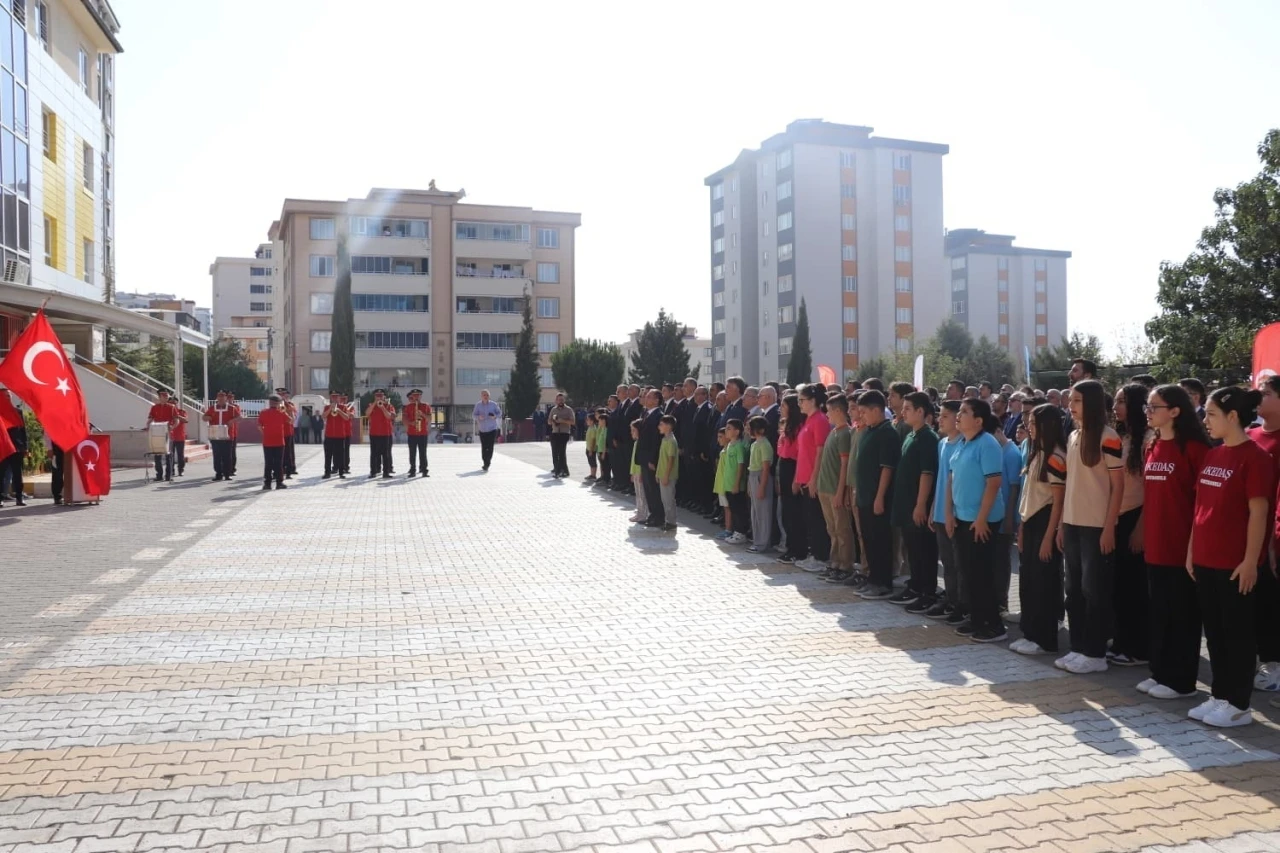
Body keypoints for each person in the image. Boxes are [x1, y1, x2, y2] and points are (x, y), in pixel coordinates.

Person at [1187, 387, 1274, 728]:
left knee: (1237, 635)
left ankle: (1238, 705)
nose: (1206, 421)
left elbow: (1259, 513)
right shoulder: (1214, 454)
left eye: (1211, 414)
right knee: (1215, 634)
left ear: (1233, 416)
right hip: (1206, 559)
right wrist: (1191, 551)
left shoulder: (1256, 458)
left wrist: (1251, 561)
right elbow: (1200, 508)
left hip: (1235, 564)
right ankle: (1220, 695)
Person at [1139, 383, 1210, 698]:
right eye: (1148, 406)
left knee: (1183, 615)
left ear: (1175, 411)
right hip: (1155, 545)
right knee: (1159, 612)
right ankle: (1160, 672)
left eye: (1154, 407)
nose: (1148, 412)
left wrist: (1193, 547)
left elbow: (1201, 503)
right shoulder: (1151, 445)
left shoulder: (1195, 449)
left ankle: (1181, 682)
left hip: (1182, 548)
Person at [1056, 380, 1125, 674]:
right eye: (1070, 400)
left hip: (1096, 526)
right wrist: (1061, 525)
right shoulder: (1073, 435)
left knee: (1094, 591)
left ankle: (1096, 654)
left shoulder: (1108, 437)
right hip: (1072, 523)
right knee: (1073, 590)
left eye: (1077, 400)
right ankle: (1078, 647)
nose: (1070, 405)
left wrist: (1109, 527)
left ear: (1092, 403)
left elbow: (1118, 486)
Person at [946, 398, 1007, 642]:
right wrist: (949, 513)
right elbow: (952, 478)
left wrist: (981, 519)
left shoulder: (987, 443)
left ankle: (994, 625)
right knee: (968, 572)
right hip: (962, 518)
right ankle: (976, 618)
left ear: (979, 420)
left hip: (983, 521)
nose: (958, 416)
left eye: (964, 412)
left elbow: (994, 483)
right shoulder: (962, 443)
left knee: (982, 573)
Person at [1013, 404, 1068, 656]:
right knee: (1028, 581)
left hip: (1046, 521)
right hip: (1031, 521)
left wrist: (1049, 535)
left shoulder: (1056, 456)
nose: (1029, 427)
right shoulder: (1037, 453)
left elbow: (1058, 500)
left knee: (1043, 583)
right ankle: (1030, 633)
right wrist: (1022, 526)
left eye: (1034, 423)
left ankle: (1044, 639)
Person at [1109, 383, 1152, 667]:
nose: (1116, 407)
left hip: (1136, 516)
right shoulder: (1119, 436)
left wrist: (1140, 527)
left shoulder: (1148, 439)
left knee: (1135, 588)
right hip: (1116, 515)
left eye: (1122, 401)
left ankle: (1138, 648)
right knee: (1119, 586)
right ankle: (1121, 640)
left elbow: (1151, 489)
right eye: (1115, 401)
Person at [891, 392, 939, 611]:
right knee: (913, 549)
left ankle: (927, 592)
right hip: (906, 504)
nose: (903, 412)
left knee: (924, 550)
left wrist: (921, 505)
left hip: (918, 505)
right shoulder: (911, 435)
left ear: (921, 411)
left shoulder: (928, 438)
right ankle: (915, 586)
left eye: (908, 408)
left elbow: (927, 473)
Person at [1248, 375, 1280, 695]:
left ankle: (1273, 664)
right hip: (1249, 536)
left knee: (1272, 603)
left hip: (1274, 537)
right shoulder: (1251, 435)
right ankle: (1263, 659)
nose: (1259, 398)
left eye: (1267, 393)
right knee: (1257, 604)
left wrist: (1271, 539)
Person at [853, 390, 900, 600]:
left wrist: (880, 497)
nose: (860, 416)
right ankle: (873, 578)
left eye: (864, 412)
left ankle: (883, 583)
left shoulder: (887, 433)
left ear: (876, 410)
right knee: (869, 540)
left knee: (880, 540)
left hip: (878, 498)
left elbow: (886, 468)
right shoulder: (869, 431)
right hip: (864, 496)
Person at [927, 400, 964, 622]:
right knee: (948, 563)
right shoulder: (942, 444)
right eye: (939, 416)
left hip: (955, 515)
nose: (939, 420)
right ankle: (951, 600)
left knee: (959, 564)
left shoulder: (963, 444)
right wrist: (934, 507)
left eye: (945, 416)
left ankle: (961, 604)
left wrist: (951, 512)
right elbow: (940, 480)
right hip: (940, 512)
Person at [816, 394, 855, 582]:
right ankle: (835, 562)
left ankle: (846, 566)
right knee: (832, 529)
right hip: (825, 488)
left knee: (842, 529)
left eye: (829, 410)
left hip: (835, 490)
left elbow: (844, 465)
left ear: (839, 411)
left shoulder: (845, 433)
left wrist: (841, 492)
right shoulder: (834, 432)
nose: (827, 414)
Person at [794, 384, 831, 572]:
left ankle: (821, 557)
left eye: (802, 400)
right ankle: (814, 554)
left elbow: (820, 452)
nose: (799, 403)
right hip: (804, 477)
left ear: (813, 401)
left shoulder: (820, 420)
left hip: (813, 479)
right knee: (809, 518)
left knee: (817, 519)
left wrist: (814, 478)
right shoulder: (808, 420)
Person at [775, 394, 806, 565]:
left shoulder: (799, 426)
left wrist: (796, 479)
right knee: (786, 511)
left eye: (784, 405)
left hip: (793, 467)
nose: (780, 408)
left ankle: (798, 550)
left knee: (794, 513)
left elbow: (799, 455)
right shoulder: (786, 425)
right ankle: (790, 547)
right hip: (784, 465)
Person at [635, 389, 666, 528]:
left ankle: (658, 517)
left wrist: (653, 459)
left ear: (656, 400)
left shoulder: (659, 415)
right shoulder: (646, 413)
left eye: (649, 397)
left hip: (650, 458)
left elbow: (656, 440)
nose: (646, 399)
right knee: (648, 488)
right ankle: (652, 514)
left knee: (654, 489)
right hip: (644, 457)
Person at [746, 415, 774, 553]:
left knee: (763, 512)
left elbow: (765, 468)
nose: (748, 430)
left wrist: (762, 487)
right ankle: (757, 540)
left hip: (761, 477)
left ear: (761, 430)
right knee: (755, 512)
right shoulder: (754, 444)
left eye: (751, 427)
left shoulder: (764, 444)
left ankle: (763, 543)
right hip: (753, 476)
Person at [720, 418, 748, 543]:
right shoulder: (729, 445)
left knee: (738, 509)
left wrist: (736, 484)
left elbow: (740, 465)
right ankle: (735, 532)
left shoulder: (738, 446)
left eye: (729, 428)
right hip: (728, 483)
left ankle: (741, 533)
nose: (726, 430)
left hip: (735, 485)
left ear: (737, 432)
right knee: (732, 508)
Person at [257, 395, 290, 490]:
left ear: (270, 402)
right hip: (279, 441)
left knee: (268, 463)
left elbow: (259, 426)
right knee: (278, 463)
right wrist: (285, 410)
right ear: (278, 403)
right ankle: (279, 483)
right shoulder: (282, 413)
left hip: (267, 441)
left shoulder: (263, 412)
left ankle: (267, 484)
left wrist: (265, 433)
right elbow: (291, 421)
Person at [147, 390, 180, 483]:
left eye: (167, 397)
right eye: (164, 397)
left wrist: (172, 427)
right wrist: (148, 426)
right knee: (157, 455)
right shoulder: (154, 407)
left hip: (168, 433)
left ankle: (168, 475)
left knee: (169, 455)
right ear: (159, 398)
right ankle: (159, 475)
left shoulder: (172, 407)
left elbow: (177, 420)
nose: (165, 398)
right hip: (157, 433)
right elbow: (150, 419)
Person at [204, 391, 236, 481]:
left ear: (226, 398)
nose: (221, 399)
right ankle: (218, 474)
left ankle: (227, 474)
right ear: (217, 398)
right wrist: (208, 417)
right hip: (215, 435)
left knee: (227, 456)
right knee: (217, 456)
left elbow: (239, 417)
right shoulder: (212, 408)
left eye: (223, 397)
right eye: (219, 397)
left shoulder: (231, 408)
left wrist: (232, 421)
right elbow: (204, 417)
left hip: (227, 436)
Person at [656, 414, 680, 532]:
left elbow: (671, 460)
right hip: (662, 474)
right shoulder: (664, 439)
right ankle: (669, 520)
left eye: (661, 424)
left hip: (668, 476)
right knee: (665, 499)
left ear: (669, 426)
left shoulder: (671, 440)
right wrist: (658, 473)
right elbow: (662, 459)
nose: (659, 427)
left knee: (669, 499)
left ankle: (671, 522)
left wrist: (666, 476)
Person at [366, 389, 396, 479]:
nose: (379, 397)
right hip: (374, 433)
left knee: (385, 454)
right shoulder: (371, 405)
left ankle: (386, 472)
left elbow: (389, 416)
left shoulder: (389, 406)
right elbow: (367, 413)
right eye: (377, 395)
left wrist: (382, 407)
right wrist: (375, 403)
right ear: (374, 396)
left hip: (385, 433)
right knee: (374, 454)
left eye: (381, 395)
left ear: (384, 396)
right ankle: (373, 472)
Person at [403, 389, 431, 478]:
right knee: (412, 453)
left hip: (422, 433)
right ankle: (412, 470)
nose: (416, 397)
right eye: (414, 395)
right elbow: (404, 420)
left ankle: (424, 470)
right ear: (412, 396)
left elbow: (429, 419)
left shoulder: (426, 406)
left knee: (423, 453)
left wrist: (422, 414)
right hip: (412, 433)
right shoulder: (408, 407)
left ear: (420, 396)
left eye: (418, 395)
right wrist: (411, 423)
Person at [322, 392, 349, 479]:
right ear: (331, 398)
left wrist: (339, 411)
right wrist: (330, 409)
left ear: (339, 398)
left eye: (336, 397)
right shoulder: (327, 407)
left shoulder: (343, 407)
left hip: (340, 435)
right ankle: (327, 472)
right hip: (329, 435)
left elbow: (347, 418)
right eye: (333, 397)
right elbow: (323, 416)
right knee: (328, 455)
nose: (334, 399)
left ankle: (341, 472)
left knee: (340, 455)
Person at [473, 390, 502, 472]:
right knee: (484, 446)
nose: (485, 396)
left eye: (487, 395)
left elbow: (499, 413)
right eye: (484, 395)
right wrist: (479, 417)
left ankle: (487, 464)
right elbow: (473, 415)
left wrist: (495, 416)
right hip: (482, 429)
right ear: (481, 396)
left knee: (490, 446)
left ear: (489, 396)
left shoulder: (494, 404)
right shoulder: (478, 405)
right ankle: (485, 461)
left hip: (492, 429)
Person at [547, 393, 574, 478]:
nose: (561, 401)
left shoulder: (569, 410)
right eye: (559, 400)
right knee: (555, 452)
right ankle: (557, 470)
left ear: (564, 400)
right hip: (555, 433)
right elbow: (549, 421)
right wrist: (553, 421)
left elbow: (573, 422)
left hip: (564, 433)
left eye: (562, 400)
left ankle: (563, 471)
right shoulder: (553, 409)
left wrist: (562, 420)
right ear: (556, 401)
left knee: (561, 452)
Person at [628, 419, 648, 524]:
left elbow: (641, 461)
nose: (632, 433)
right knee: (638, 494)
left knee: (642, 494)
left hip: (640, 473)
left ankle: (643, 515)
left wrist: (640, 473)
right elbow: (633, 460)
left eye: (634, 430)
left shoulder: (641, 443)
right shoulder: (636, 442)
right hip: (635, 472)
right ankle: (639, 513)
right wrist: (632, 472)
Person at [277, 389, 298, 477]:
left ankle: (291, 468)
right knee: (279, 453)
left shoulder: (289, 404)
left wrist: (285, 402)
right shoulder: (276, 405)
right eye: (280, 394)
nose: (281, 396)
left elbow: (294, 411)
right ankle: (281, 469)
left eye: (283, 394)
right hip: (279, 431)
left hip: (288, 431)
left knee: (289, 452)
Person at [594, 410, 610, 486]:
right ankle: (604, 479)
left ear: (604, 421)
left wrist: (603, 453)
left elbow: (605, 442)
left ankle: (606, 480)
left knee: (606, 467)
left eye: (600, 420)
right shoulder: (603, 428)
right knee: (603, 466)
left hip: (604, 452)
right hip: (600, 450)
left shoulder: (606, 429)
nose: (599, 422)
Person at [584, 413, 600, 481]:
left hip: (591, 449)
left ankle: (593, 475)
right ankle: (591, 474)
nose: (586, 421)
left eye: (588, 420)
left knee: (593, 461)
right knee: (590, 461)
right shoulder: (589, 428)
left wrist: (591, 450)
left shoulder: (593, 428)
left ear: (592, 421)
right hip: (588, 448)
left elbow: (593, 440)